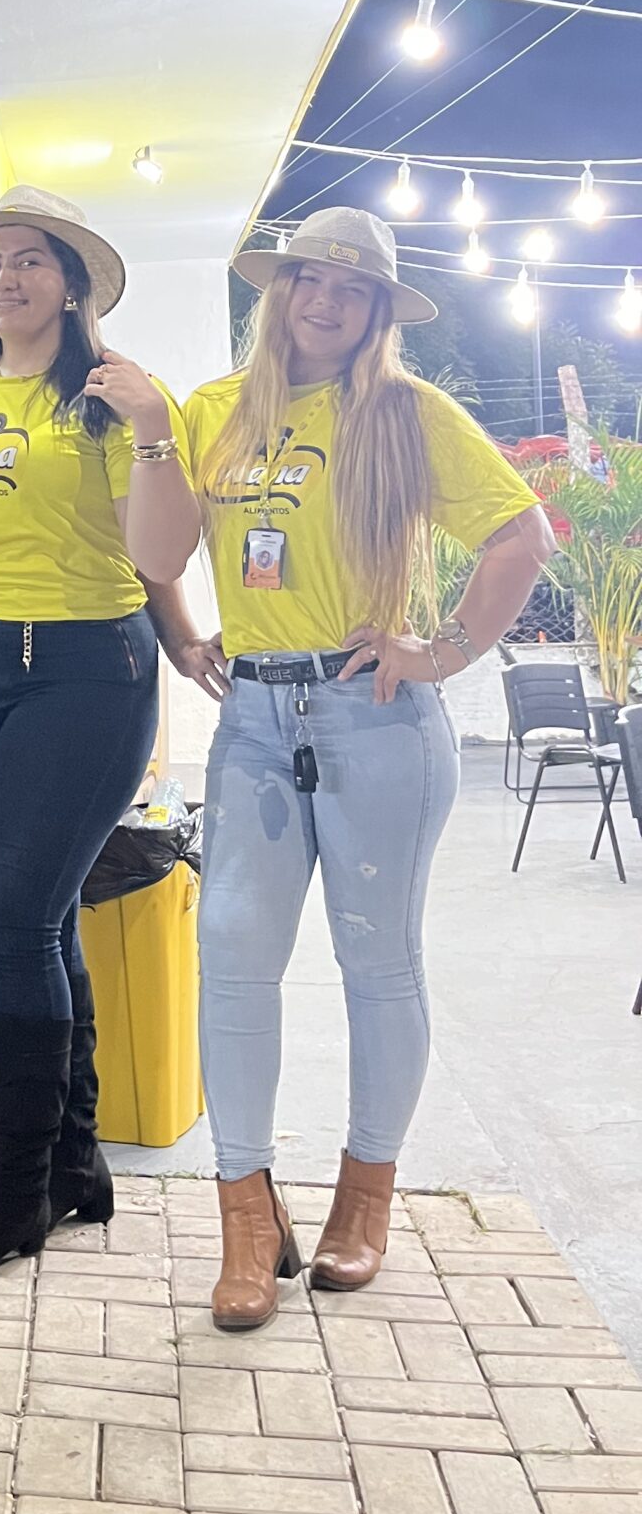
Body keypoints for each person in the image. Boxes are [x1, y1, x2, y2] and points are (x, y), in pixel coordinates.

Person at [157, 207, 551, 1330]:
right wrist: (181, 632)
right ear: (275, 291)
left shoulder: (407, 413)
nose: (324, 301)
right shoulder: (211, 412)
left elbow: (522, 536)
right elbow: (154, 543)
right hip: (252, 718)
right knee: (233, 952)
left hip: (376, 718)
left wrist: (446, 651)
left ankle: (365, 1196)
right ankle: (246, 1217)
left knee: (376, 960)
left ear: (377, 310)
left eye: (352, 288)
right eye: (307, 280)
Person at [0, 188, 200, 1283]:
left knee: (16, 921)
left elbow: (160, 554)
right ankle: (75, 1159)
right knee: (42, 915)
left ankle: (14, 1188)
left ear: (72, 285)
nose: (5, 278)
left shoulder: (117, 398)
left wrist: (155, 433)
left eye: (30, 259)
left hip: (85, 671)